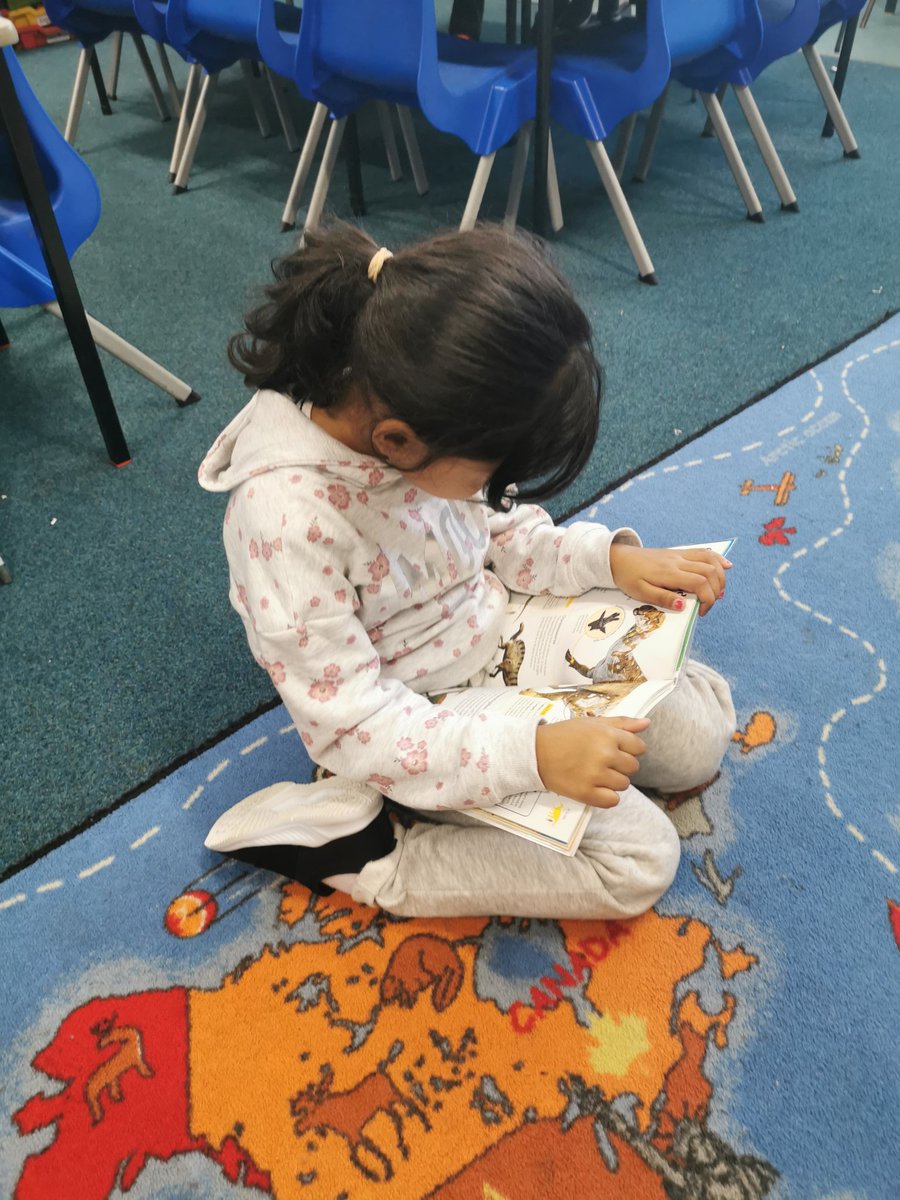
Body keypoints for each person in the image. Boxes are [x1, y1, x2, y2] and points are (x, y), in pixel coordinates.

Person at [198, 222, 735, 919]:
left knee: (700, 737)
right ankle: (369, 858)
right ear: (397, 442)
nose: (499, 485)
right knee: (639, 861)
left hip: (502, 640)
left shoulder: (414, 403)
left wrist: (611, 561)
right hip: (418, 724)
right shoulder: (283, 519)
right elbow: (355, 723)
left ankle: (570, 722)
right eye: (493, 467)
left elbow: (499, 527)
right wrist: (535, 757)